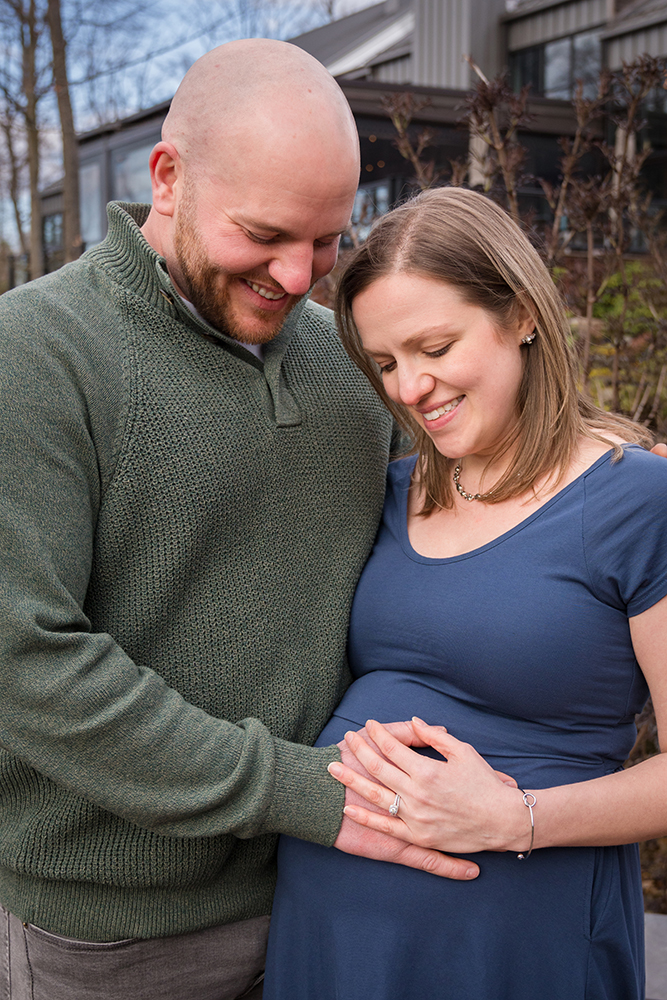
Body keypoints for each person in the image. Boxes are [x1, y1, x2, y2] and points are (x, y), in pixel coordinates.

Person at [0, 41, 474, 1000]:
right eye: (265, 234)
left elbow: (456, 528)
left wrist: (602, 475)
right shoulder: (37, 353)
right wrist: (302, 792)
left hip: (331, 893)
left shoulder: (353, 364)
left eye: (327, 240)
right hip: (115, 935)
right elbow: (26, 662)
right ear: (167, 178)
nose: (298, 276)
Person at [264, 186, 667, 1000]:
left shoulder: (635, 500)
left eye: (434, 347)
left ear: (520, 314)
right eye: (385, 364)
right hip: (328, 932)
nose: (409, 388)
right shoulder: (384, 493)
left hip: (513, 943)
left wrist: (514, 818)